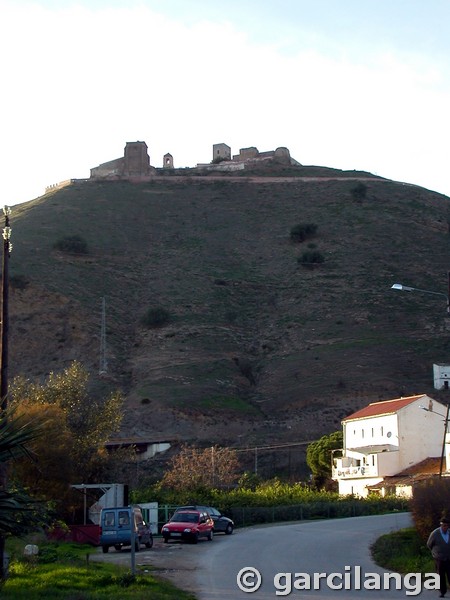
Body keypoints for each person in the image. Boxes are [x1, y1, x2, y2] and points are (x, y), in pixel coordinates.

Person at [427, 517, 450, 597]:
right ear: (441, 525)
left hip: (449, 558)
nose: (445, 527)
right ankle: (442, 592)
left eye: (447, 526)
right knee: (440, 575)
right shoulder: (435, 533)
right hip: (439, 559)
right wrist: (436, 553)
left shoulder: (449, 533)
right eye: (444, 525)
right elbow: (429, 544)